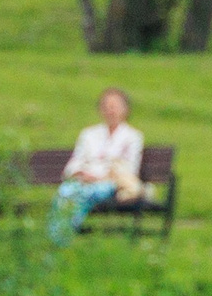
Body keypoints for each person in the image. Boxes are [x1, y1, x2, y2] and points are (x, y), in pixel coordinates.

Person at [49, 88, 144, 244]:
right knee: (65, 191)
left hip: (110, 184)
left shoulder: (133, 137)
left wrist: (101, 176)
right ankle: (58, 238)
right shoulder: (88, 134)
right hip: (83, 180)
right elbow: (76, 161)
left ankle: (60, 240)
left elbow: (130, 168)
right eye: (106, 106)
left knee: (81, 195)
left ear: (125, 109)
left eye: (115, 106)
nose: (110, 110)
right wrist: (80, 173)